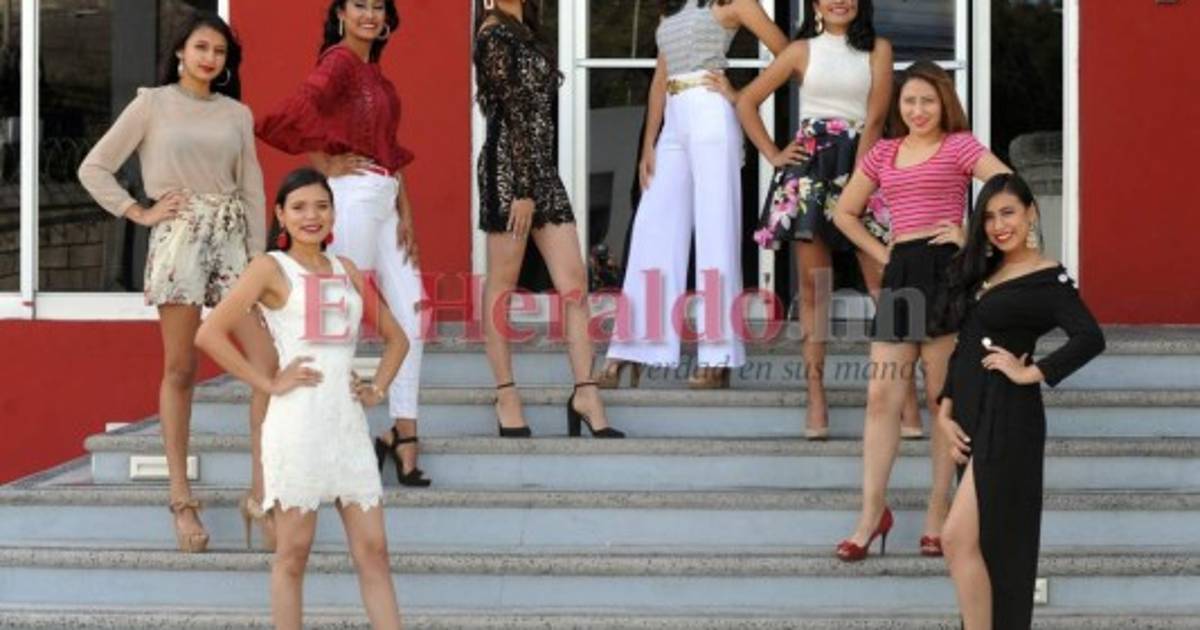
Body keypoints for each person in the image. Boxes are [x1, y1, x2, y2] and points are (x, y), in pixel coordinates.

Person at [77, 11, 276, 552]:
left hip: (232, 239)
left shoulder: (237, 114)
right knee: (181, 367)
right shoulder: (152, 104)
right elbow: (93, 167)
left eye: (220, 51)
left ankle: (261, 494)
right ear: (181, 52)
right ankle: (181, 499)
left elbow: (253, 187)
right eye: (201, 47)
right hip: (180, 237)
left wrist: (259, 260)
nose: (210, 58)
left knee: (267, 364)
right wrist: (138, 212)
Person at [196, 168, 407, 630]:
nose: (312, 216)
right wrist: (267, 382)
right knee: (293, 554)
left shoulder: (346, 269)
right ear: (280, 214)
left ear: (333, 213)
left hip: (347, 427)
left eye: (322, 206)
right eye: (299, 207)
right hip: (297, 425)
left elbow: (398, 338)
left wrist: (376, 389)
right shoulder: (269, 267)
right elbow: (209, 333)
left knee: (374, 551)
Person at [830, 60, 1011, 560]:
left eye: (927, 100)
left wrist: (972, 237)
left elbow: (1010, 189)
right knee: (880, 397)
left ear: (943, 102)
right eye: (909, 101)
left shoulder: (959, 146)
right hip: (901, 274)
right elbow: (844, 213)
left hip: (946, 274)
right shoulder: (884, 152)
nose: (918, 110)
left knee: (939, 401)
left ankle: (937, 512)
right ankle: (872, 515)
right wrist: (884, 254)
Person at [257, 0, 431, 486]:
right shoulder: (337, 63)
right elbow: (291, 113)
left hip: (385, 199)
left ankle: (403, 432)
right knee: (334, 315)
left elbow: (390, 152)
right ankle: (320, 429)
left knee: (413, 313)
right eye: (360, 5)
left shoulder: (373, 73)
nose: (370, 15)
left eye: (378, 7)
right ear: (340, 14)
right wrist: (325, 163)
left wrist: (406, 214)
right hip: (354, 197)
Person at [938, 173, 1104, 629]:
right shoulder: (987, 271)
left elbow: (1090, 337)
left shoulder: (1049, 278)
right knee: (980, 544)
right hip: (970, 415)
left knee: (958, 538)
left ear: (1032, 212)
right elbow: (965, 343)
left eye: (1008, 212)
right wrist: (945, 411)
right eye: (990, 217)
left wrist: (1032, 372)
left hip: (1009, 415)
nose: (999, 225)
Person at [598, 0, 788, 390]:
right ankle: (632, 346)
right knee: (652, 229)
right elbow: (659, 79)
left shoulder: (736, 3)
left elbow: (788, 53)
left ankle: (718, 355)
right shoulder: (672, 8)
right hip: (673, 120)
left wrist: (741, 95)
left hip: (711, 113)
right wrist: (648, 143)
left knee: (715, 233)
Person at [736, 0, 904, 438]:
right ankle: (815, 394)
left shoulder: (879, 49)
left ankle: (903, 397)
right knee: (815, 289)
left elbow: (875, 119)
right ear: (814, 4)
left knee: (882, 282)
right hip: (810, 169)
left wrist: (859, 181)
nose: (839, 1)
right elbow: (746, 101)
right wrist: (774, 154)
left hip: (864, 163)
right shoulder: (800, 50)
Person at [474, 0, 624, 438]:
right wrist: (523, 190)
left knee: (574, 282)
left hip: (541, 170)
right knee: (502, 285)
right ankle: (506, 395)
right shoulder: (493, 33)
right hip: (509, 172)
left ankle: (585, 393)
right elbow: (514, 114)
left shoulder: (527, 32)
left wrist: (535, 180)